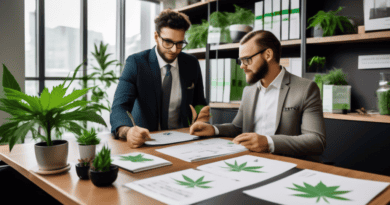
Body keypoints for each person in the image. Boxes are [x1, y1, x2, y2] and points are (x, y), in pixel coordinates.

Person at [190, 30, 326, 162]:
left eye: (247, 60)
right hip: (252, 162)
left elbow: (316, 141)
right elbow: (237, 128)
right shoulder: (248, 92)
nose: (242, 66)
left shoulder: (306, 89)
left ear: (268, 55)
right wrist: (213, 129)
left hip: (288, 164)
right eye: (240, 61)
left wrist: (268, 142)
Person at [110, 9, 207, 148]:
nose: (174, 50)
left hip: (182, 140)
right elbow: (119, 107)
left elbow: (199, 102)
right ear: (156, 37)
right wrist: (128, 131)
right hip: (146, 142)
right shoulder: (136, 63)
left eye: (180, 43)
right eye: (168, 42)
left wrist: (201, 117)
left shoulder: (191, 63)